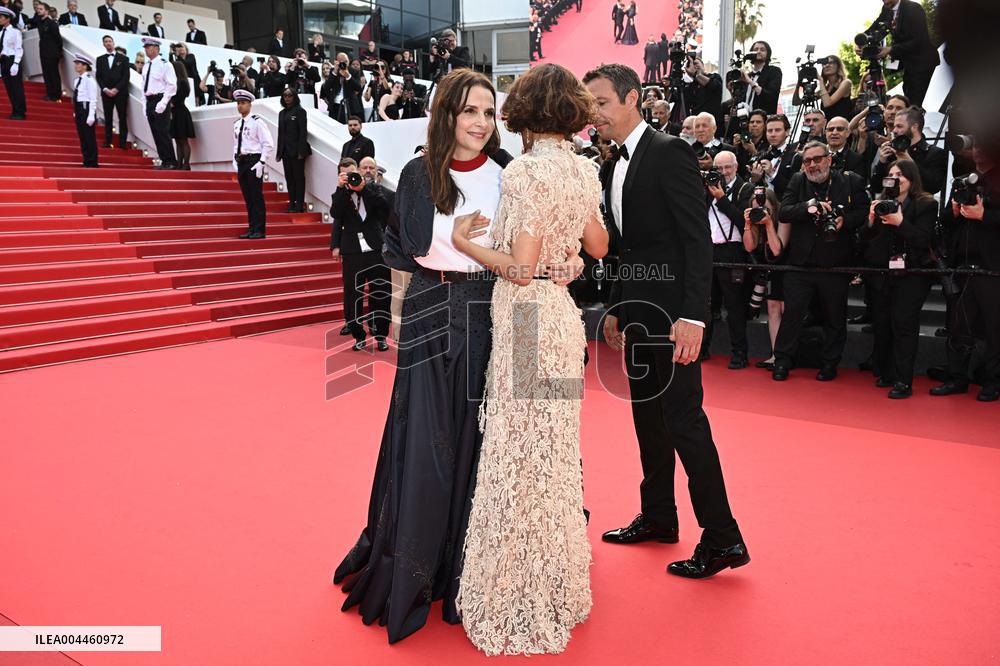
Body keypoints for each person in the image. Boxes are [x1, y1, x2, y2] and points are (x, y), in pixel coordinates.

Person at [333, 69, 515, 643]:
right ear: (446, 115)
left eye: (489, 113)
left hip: (490, 313)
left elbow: (519, 252)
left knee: (479, 440)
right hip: (432, 312)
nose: (481, 124)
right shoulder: (417, 174)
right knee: (426, 442)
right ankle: (413, 564)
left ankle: (467, 568)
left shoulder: (508, 176)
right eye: (469, 111)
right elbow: (404, 251)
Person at [453, 63, 607, 656]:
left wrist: (467, 243)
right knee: (551, 451)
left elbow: (517, 266)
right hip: (563, 318)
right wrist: (562, 254)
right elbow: (597, 246)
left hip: (527, 318)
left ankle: (520, 588)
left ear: (523, 111)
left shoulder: (524, 172)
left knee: (520, 451)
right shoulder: (583, 169)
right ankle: (556, 581)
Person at [584, 63, 749, 578]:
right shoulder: (612, 166)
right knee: (648, 421)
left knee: (684, 422)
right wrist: (615, 306)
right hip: (637, 315)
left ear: (632, 98)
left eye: (602, 103)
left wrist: (693, 317)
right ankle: (658, 515)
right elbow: (626, 248)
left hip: (674, 316)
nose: (595, 115)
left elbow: (695, 240)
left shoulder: (670, 151)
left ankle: (723, 538)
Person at [772, 141, 870, 381]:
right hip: (800, 263)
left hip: (835, 263)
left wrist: (843, 221)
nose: (812, 165)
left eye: (817, 159)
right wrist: (808, 207)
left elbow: (863, 213)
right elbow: (784, 212)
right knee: (792, 314)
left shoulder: (851, 181)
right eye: (807, 161)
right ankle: (782, 361)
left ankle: (829, 364)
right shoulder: (797, 180)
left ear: (829, 159)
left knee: (834, 316)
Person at [861, 159, 935, 398]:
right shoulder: (882, 203)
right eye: (891, 174)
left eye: (900, 174)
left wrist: (900, 222)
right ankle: (886, 372)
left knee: (903, 324)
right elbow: (865, 240)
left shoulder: (926, 203)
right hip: (883, 273)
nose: (895, 178)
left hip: (912, 274)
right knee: (882, 324)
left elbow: (924, 240)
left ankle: (904, 381)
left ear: (911, 178)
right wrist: (872, 219)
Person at [931, 143, 1000, 402]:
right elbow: (945, 221)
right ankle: (957, 378)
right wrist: (955, 213)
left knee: (994, 329)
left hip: (992, 268)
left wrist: (985, 216)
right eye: (976, 144)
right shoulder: (961, 181)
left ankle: (992, 382)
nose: (979, 149)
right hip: (962, 265)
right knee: (958, 326)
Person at [329, 157, 391, 350]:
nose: (365, 171)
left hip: (375, 251)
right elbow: (335, 214)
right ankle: (358, 335)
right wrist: (341, 188)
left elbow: (384, 207)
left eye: (369, 168)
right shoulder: (341, 194)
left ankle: (380, 335)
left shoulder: (375, 190)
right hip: (352, 252)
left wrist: (362, 189)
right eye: (363, 168)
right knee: (352, 295)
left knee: (381, 293)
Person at [702, 150, 752, 368]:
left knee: (734, 306)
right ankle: (702, 349)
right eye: (718, 168)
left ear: (736, 167)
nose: (723, 172)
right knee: (706, 305)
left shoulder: (745, 188)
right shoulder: (707, 188)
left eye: (727, 167)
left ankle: (739, 353)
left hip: (733, 251)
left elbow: (743, 221)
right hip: (708, 251)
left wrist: (721, 199)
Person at [742, 187, 789, 369]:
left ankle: (785, 355)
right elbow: (749, 246)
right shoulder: (755, 222)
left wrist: (769, 224)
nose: (760, 212)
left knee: (785, 309)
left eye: (764, 209)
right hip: (771, 270)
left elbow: (777, 250)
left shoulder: (783, 217)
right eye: (756, 209)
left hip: (787, 267)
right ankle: (775, 354)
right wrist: (748, 223)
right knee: (771, 309)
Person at [860, 0, 939, 106]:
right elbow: (875, 27)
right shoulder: (886, 9)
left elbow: (919, 39)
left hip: (922, 62)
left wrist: (891, 49)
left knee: (913, 103)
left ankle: (914, 120)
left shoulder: (913, 9)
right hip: (908, 63)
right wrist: (861, 41)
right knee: (908, 98)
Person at [870, 105, 947, 196]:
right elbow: (876, 187)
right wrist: (881, 162)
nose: (894, 130)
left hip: (919, 207)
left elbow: (933, 187)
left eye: (899, 126)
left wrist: (910, 163)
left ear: (914, 127)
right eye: (894, 126)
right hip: (892, 206)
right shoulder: (891, 152)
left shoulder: (935, 153)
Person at [232, 89, 273, 239]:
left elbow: (268, 143)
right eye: (238, 103)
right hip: (242, 161)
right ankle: (251, 228)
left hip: (254, 161)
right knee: (248, 198)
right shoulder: (237, 124)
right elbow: (236, 144)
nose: (240, 106)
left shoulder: (257, 122)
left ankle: (259, 229)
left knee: (256, 197)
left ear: (249, 104)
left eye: (243, 103)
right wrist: (234, 160)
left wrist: (262, 162)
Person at [141, 37, 177, 170]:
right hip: (150, 100)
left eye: (149, 46)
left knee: (163, 131)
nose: (146, 49)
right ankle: (164, 160)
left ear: (156, 48)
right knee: (155, 132)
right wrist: (144, 103)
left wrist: (163, 102)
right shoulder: (146, 66)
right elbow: (143, 85)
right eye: (145, 47)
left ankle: (171, 161)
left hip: (160, 99)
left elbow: (172, 85)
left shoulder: (164, 64)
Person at [276, 87, 310, 212]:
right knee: (289, 178)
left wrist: (301, 152)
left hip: (297, 152)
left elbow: (303, 133)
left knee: (299, 178)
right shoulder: (282, 113)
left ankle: (299, 204)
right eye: (285, 95)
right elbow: (280, 134)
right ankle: (292, 203)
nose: (287, 98)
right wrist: (279, 152)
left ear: (294, 97)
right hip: (285, 151)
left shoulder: (300, 111)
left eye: (290, 95)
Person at [96, 35, 129, 149]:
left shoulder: (124, 59)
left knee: (122, 117)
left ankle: (123, 142)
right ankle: (108, 140)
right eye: (106, 41)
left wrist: (116, 89)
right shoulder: (100, 59)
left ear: (113, 43)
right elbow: (98, 77)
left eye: (110, 41)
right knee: (108, 117)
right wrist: (105, 89)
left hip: (120, 93)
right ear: (103, 44)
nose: (108, 43)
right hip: (106, 93)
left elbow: (126, 77)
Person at [71, 53, 98, 167]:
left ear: (85, 66)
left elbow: (93, 98)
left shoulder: (89, 79)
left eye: (79, 64)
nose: (76, 65)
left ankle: (92, 161)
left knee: (89, 136)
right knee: (82, 136)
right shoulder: (77, 80)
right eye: (76, 63)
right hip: (79, 108)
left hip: (86, 108)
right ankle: (86, 159)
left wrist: (91, 114)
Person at [0, 6, 27, 120]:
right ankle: (14, 109)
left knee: (16, 87)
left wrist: (16, 63)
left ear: (8, 19)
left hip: (12, 60)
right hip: (4, 61)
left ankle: (20, 111)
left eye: (1, 17)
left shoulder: (15, 32)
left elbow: (18, 48)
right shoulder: (1, 32)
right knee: (9, 88)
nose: (0, 19)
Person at [742, 40, 781, 115]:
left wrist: (750, 82)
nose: (758, 52)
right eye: (756, 49)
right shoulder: (748, 76)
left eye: (762, 50)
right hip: (746, 121)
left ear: (768, 54)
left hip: (765, 119)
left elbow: (771, 96)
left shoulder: (774, 71)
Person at [170, 54, 194, 170]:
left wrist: (170, 103)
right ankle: (179, 163)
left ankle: (186, 164)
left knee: (183, 140)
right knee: (177, 140)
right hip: (175, 113)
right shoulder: (174, 83)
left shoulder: (182, 83)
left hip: (180, 113)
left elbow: (178, 99)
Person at [35, 2, 61, 102]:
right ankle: (50, 94)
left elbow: (58, 39)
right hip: (43, 52)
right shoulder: (39, 22)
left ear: (46, 11)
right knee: (46, 74)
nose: (38, 10)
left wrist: (58, 52)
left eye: (41, 9)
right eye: (37, 9)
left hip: (52, 53)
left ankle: (56, 95)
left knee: (53, 74)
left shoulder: (52, 23)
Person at [819, 55, 853, 121]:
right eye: (824, 64)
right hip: (828, 128)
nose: (827, 65)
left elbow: (827, 103)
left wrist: (820, 80)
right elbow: (797, 102)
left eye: (831, 63)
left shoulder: (846, 83)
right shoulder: (826, 88)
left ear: (838, 65)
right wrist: (799, 84)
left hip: (841, 127)